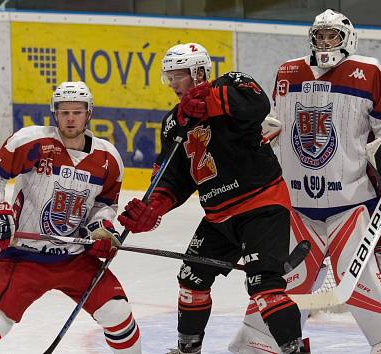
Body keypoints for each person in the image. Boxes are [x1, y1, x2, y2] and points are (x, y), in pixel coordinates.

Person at [230, 9, 381, 354]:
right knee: (283, 280)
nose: (324, 42)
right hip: (296, 205)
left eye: (332, 36)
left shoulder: (370, 72)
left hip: (352, 204)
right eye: (319, 36)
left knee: (363, 279)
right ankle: (263, 342)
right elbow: (279, 121)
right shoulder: (288, 71)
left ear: (347, 39)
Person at [117, 43, 308, 353]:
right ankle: (188, 349)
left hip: (261, 206)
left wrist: (210, 102)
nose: (173, 84)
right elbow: (175, 176)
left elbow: (257, 104)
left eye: (178, 75)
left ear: (198, 72)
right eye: (169, 77)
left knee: (264, 288)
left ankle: (294, 349)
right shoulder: (174, 122)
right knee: (191, 278)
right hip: (218, 218)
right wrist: (155, 207)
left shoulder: (230, 82)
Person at [0, 81, 141, 353]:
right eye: (64, 112)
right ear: (54, 113)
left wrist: (100, 228)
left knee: (118, 314)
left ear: (89, 113)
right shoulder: (32, 141)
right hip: (25, 257)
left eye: (77, 111)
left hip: (75, 258)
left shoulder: (108, 158)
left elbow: (105, 203)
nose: (71, 117)